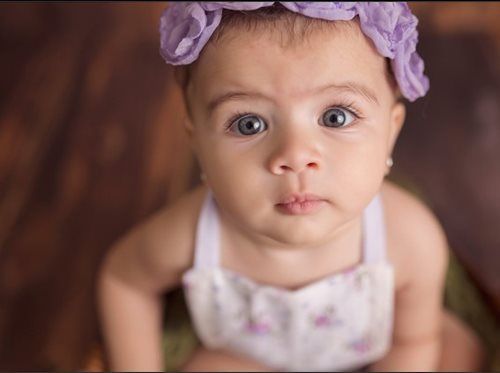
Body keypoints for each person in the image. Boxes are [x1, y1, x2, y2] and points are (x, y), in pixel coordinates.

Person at [97, 2, 485, 371]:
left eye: (335, 117)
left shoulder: (408, 237)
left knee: (458, 348)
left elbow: (411, 342)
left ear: (390, 131)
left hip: (374, 351)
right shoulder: (192, 236)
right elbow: (123, 281)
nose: (295, 156)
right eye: (248, 123)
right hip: (249, 359)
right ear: (196, 140)